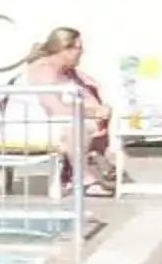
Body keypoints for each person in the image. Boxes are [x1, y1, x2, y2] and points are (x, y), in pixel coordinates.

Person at [17, 25, 116, 191]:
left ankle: (96, 161)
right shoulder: (43, 70)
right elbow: (55, 108)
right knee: (74, 128)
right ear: (64, 49)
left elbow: (89, 90)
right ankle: (84, 178)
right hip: (32, 123)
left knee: (87, 123)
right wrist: (91, 112)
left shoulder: (67, 72)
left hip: (58, 121)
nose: (82, 52)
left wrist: (100, 109)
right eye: (78, 48)